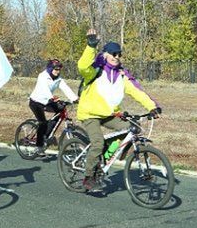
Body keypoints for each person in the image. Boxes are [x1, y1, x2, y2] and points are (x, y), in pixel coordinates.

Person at [77, 29, 161, 192]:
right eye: (113, 53)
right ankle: (88, 177)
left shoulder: (122, 75)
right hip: (90, 114)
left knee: (130, 129)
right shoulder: (95, 70)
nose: (117, 57)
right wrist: (90, 46)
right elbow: (82, 67)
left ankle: (106, 156)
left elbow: (137, 91)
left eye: (119, 54)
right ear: (105, 55)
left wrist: (152, 107)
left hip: (109, 114)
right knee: (98, 142)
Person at [28, 59, 78, 157]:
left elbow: (65, 87)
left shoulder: (58, 78)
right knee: (42, 123)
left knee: (60, 111)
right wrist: (52, 97)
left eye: (59, 69)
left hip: (47, 102)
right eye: (55, 69)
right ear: (50, 69)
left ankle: (46, 135)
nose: (57, 71)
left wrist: (74, 98)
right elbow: (44, 89)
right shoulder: (43, 76)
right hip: (36, 102)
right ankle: (38, 147)